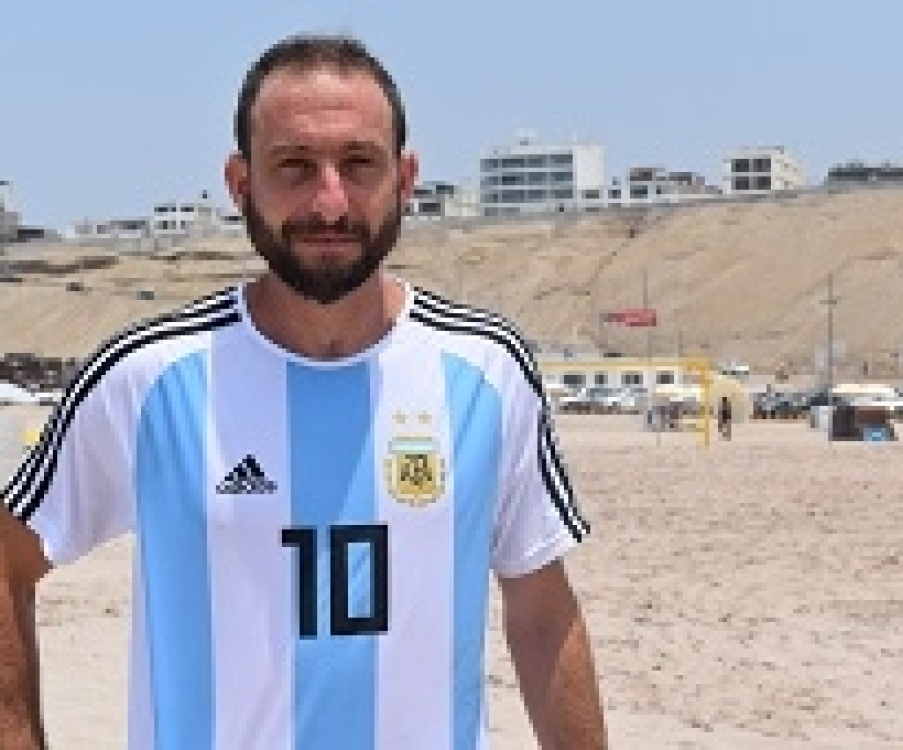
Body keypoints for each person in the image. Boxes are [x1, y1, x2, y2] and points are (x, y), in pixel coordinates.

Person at [0, 34, 606, 750]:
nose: (329, 201)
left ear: (405, 178)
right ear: (240, 183)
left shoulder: (486, 370)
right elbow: (9, 560)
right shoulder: (148, 377)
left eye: (359, 164)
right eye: (294, 166)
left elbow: (542, 614)